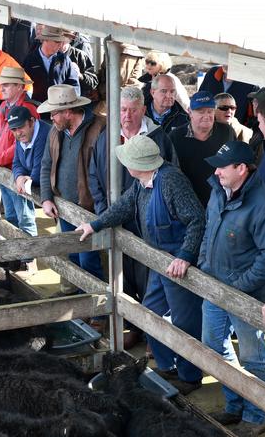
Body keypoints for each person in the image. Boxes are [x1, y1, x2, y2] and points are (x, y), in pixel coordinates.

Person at [77, 135, 205, 395]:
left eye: (127, 160)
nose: (124, 164)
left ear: (140, 164)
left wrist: (185, 255)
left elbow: (197, 219)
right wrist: (95, 224)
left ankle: (190, 377)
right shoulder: (141, 182)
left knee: (184, 321)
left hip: (177, 265)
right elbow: (124, 206)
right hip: (157, 260)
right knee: (150, 312)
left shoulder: (171, 181)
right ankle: (168, 366)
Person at [89, 85, 178, 348]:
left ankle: (153, 331)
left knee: (150, 277)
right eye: (123, 110)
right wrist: (103, 210)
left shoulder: (158, 138)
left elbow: (171, 178)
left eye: (133, 110)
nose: (127, 116)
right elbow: (94, 174)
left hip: (149, 222)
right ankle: (133, 326)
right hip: (117, 220)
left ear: (143, 110)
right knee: (122, 274)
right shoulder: (107, 137)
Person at [199, 141, 265, 436]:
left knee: (255, 356)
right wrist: (203, 263)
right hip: (215, 285)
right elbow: (207, 229)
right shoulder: (217, 191)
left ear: (241, 169)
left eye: (222, 166)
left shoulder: (263, 203)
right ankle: (234, 403)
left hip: (246, 295)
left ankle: (257, 414)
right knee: (214, 346)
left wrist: (239, 289)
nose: (216, 171)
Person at [38, 84, 106, 292]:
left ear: (68, 112)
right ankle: (80, 305)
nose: (51, 117)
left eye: (54, 113)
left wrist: (101, 211)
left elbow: (106, 173)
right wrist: (46, 198)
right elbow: (46, 164)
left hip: (89, 209)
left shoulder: (100, 128)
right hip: (64, 206)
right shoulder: (56, 131)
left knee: (90, 262)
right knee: (73, 257)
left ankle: (99, 314)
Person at [0, 67, 38, 229]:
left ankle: (27, 255)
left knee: (25, 219)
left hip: (18, 171)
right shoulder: (4, 106)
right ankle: (17, 254)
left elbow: (21, 145)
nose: (2, 88)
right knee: (12, 216)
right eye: (2, 84)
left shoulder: (28, 109)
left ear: (20, 87)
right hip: (4, 169)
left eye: (7, 85)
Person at [169, 91, 235, 206]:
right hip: (186, 203)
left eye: (210, 111)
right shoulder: (175, 136)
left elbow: (235, 164)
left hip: (220, 202)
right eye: (201, 112)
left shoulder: (226, 132)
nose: (206, 116)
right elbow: (169, 173)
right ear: (190, 112)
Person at [9, 105, 51, 238]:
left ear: (32, 122)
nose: (18, 133)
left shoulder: (44, 135)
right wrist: (20, 176)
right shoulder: (22, 136)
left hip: (54, 191)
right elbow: (16, 163)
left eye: (20, 127)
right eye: (14, 129)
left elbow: (39, 172)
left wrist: (29, 178)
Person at [23, 26, 80, 102]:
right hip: (37, 108)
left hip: (60, 109)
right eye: (57, 42)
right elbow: (24, 86)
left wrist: (68, 105)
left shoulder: (65, 60)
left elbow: (74, 86)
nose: (60, 45)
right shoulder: (29, 60)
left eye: (61, 42)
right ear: (45, 40)